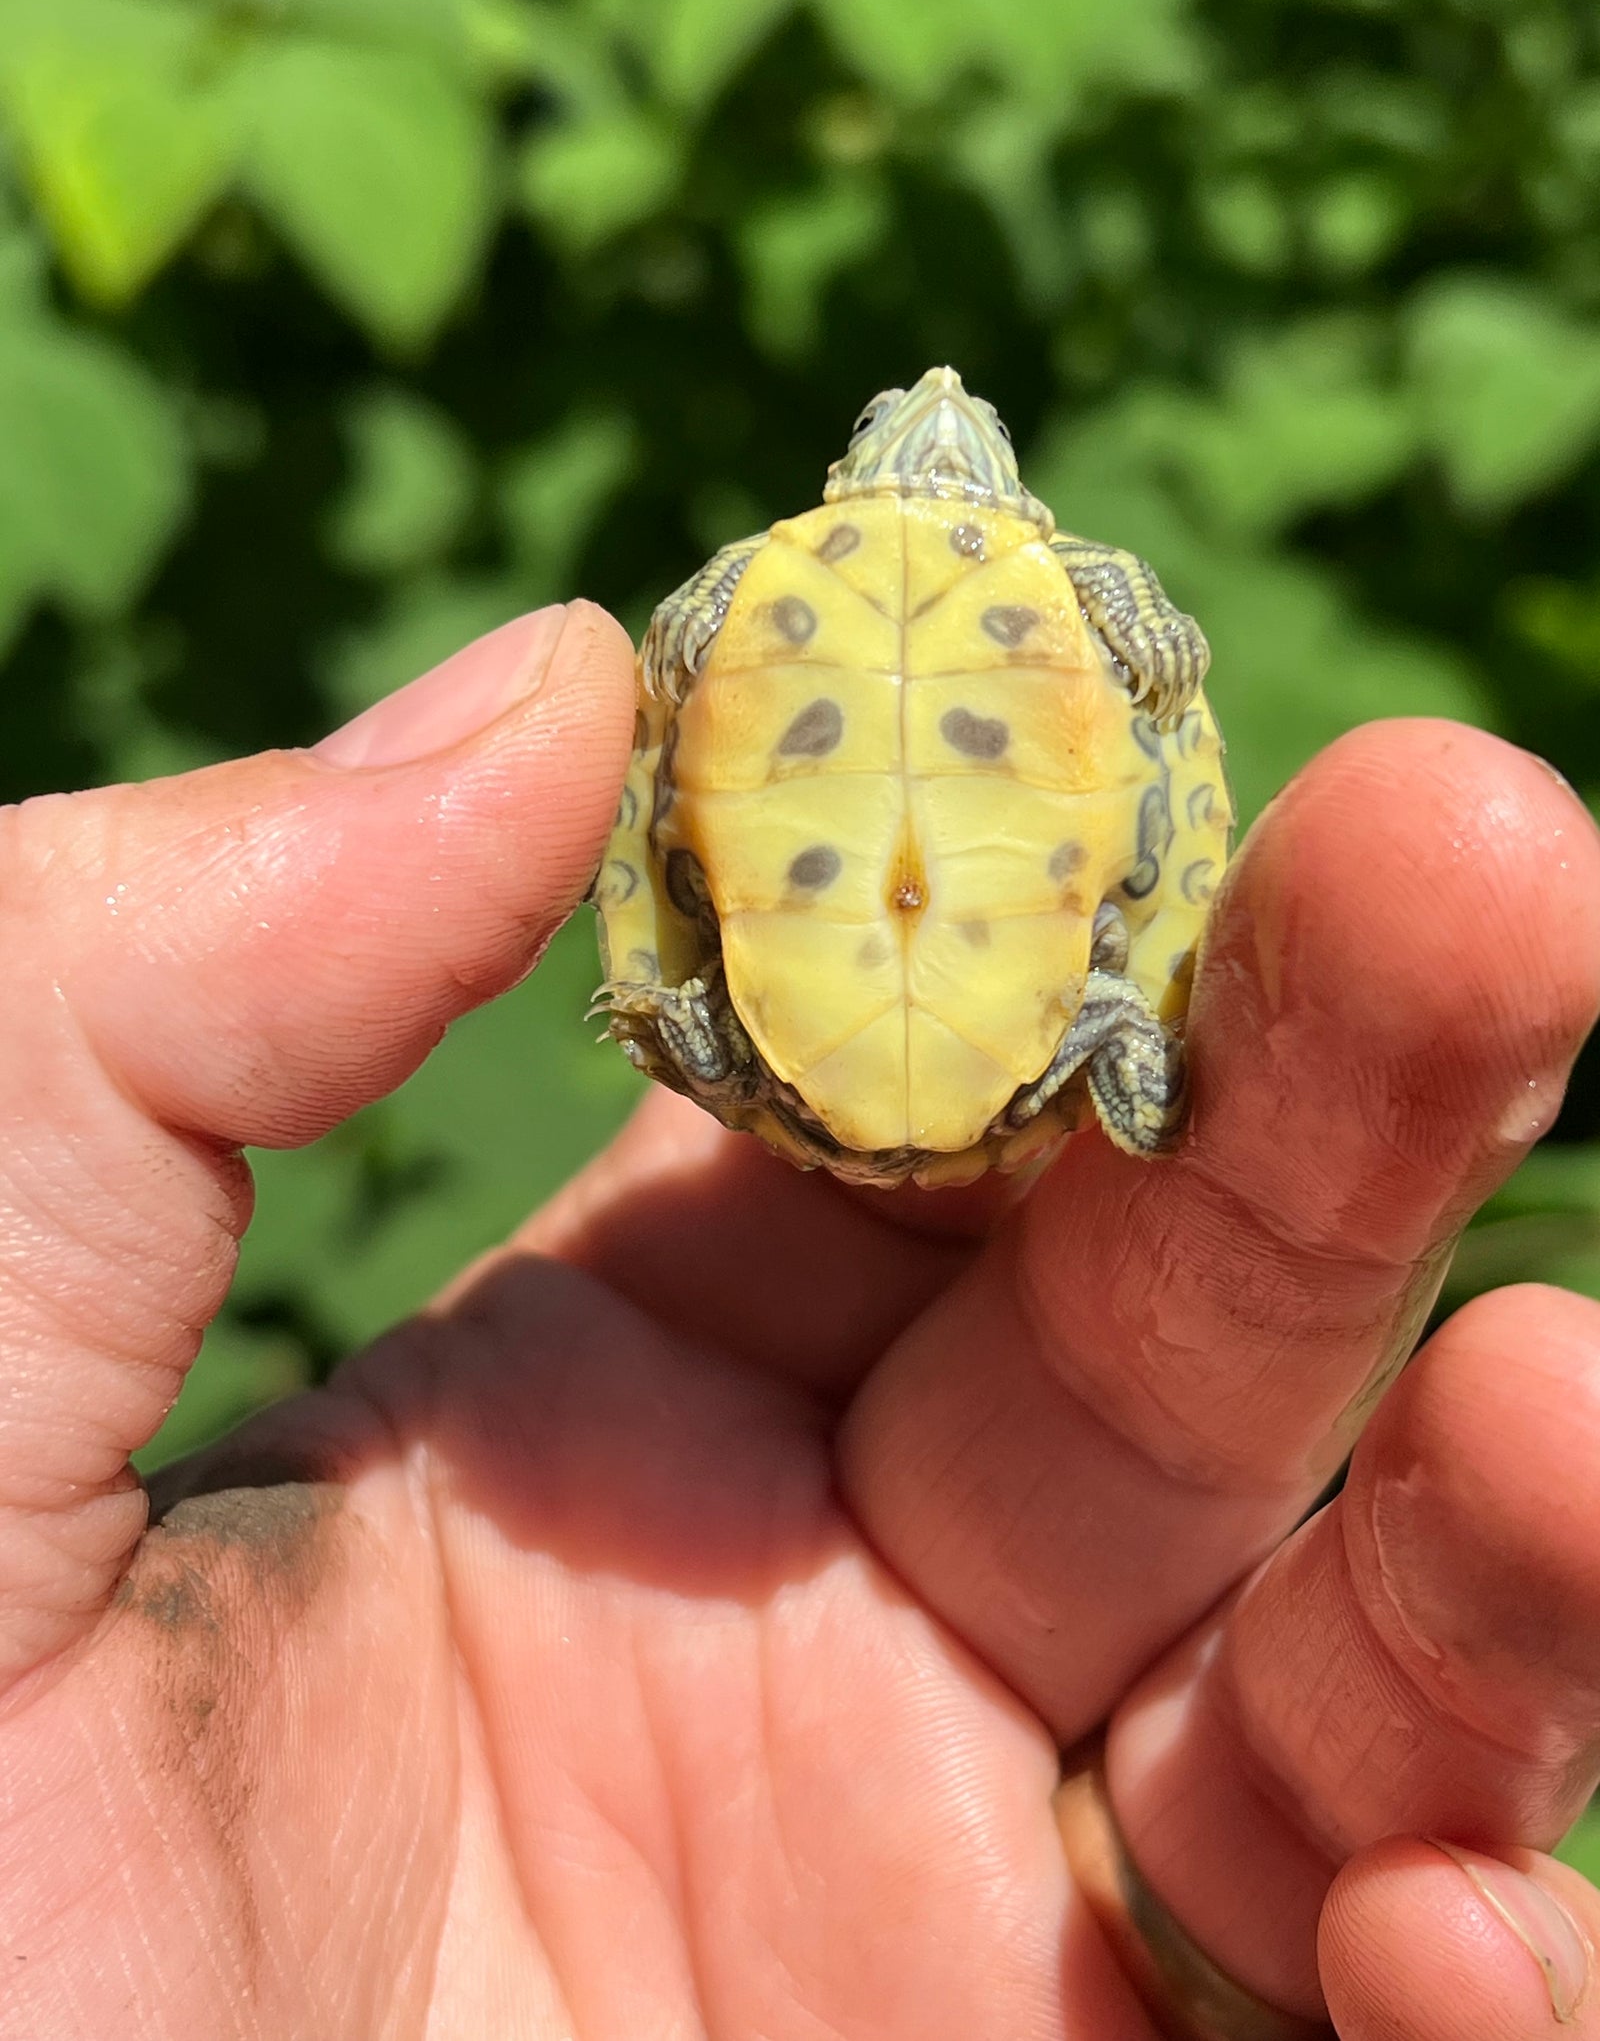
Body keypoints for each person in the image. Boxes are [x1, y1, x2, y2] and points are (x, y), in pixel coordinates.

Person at [1, 596, 1597, 2041]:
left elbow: (709, 698)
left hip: (837, 1026)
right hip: (971, 1030)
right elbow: (1133, 718)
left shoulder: (772, 612)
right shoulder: (995, 612)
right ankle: (1066, 1026)